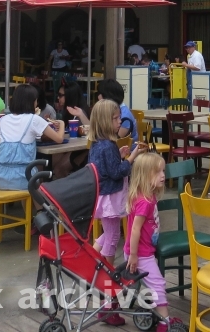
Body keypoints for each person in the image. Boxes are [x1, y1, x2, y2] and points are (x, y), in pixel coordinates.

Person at [124, 153, 183, 332]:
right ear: (145, 175)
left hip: (144, 251)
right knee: (158, 284)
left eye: (163, 171)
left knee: (150, 284)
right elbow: (135, 229)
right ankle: (164, 323)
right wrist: (134, 255)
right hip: (141, 254)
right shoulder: (145, 202)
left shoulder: (148, 196)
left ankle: (157, 314)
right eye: (157, 172)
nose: (163, 175)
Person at [88, 99, 145, 268]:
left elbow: (104, 167)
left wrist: (118, 156)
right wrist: (132, 157)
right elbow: (117, 172)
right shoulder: (108, 146)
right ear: (105, 121)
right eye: (115, 118)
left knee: (108, 233)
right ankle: (108, 272)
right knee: (113, 236)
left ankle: (91, 260)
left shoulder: (97, 144)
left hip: (102, 194)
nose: (120, 121)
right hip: (110, 196)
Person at [0, 84, 64, 191]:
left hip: (0, 179)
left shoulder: (3, 120)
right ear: (32, 102)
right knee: (40, 184)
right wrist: (62, 123)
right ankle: (41, 202)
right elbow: (59, 139)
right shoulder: (34, 119)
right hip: (25, 180)